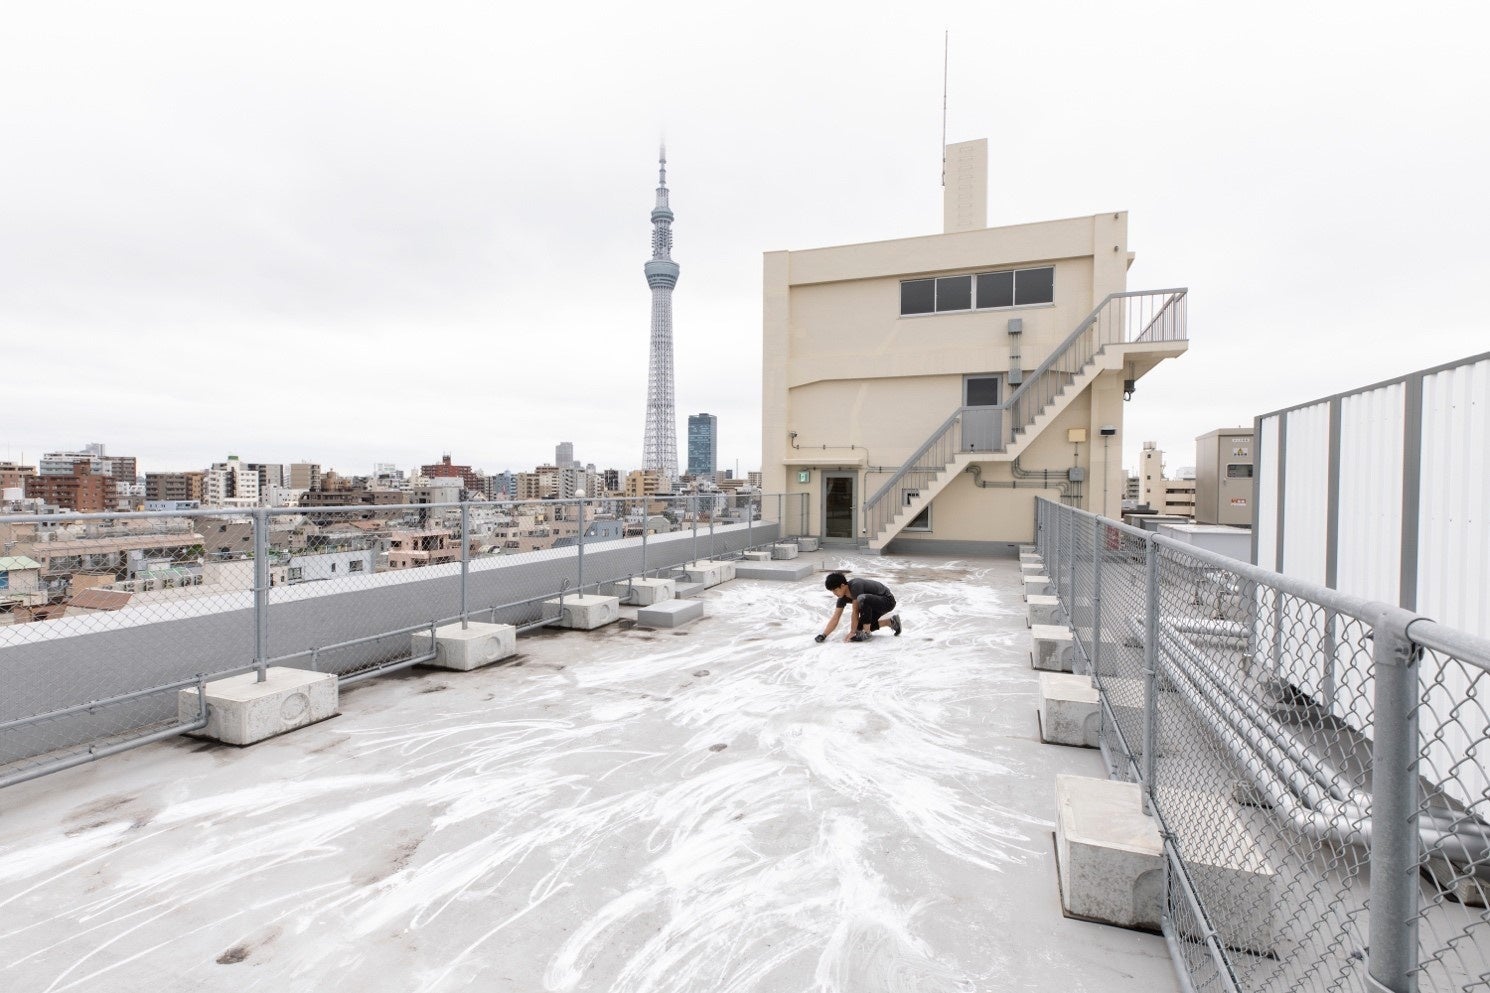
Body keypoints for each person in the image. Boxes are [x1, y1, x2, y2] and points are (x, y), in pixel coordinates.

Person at [814, 572, 902, 643]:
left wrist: (853, 632)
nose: (834, 593)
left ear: (843, 585)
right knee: (861, 627)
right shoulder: (842, 598)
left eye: (835, 590)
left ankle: (867, 633)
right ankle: (891, 622)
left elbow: (855, 611)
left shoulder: (856, 585)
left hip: (887, 601)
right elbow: (835, 617)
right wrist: (824, 635)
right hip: (873, 607)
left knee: (862, 599)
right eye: (832, 591)